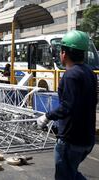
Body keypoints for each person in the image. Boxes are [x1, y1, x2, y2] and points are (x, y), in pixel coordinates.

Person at [37, 30, 97, 180]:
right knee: (71, 173)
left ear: (64, 54)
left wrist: (47, 116)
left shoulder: (70, 75)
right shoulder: (90, 73)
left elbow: (67, 107)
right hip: (87, 139)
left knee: (64, 175)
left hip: (71, 139)